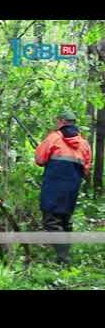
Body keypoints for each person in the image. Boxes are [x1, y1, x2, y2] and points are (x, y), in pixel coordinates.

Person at [35, 110, 92, 264]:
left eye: (57, 121)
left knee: (51, 221)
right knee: (65, 220)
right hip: (72, 189)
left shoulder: (53, 138)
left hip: (53, 187)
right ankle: (64, 256)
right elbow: (86, 169)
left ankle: (63, 257)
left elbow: (40, 160)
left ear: (61, 121)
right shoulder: (84, 144)